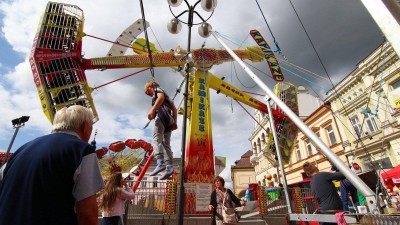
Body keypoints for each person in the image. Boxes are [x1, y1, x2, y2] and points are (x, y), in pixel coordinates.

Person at [0, 105, 104, 225]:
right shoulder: (81, 150)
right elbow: (88, 213)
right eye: (91, 125)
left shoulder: (21, 150)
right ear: (85, 126)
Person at [144, 80, 178, 180]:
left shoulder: (157, 90)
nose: (148, 94)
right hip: (169, 119)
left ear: (151, 86)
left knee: (156, 138)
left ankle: (160, 162)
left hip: (162, 116)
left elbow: (161, 98)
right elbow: (174, 109)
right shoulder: (167, 96)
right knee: (165, 143)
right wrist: (175, 122)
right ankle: (169, 167)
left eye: (147, 91)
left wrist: (153, 109)